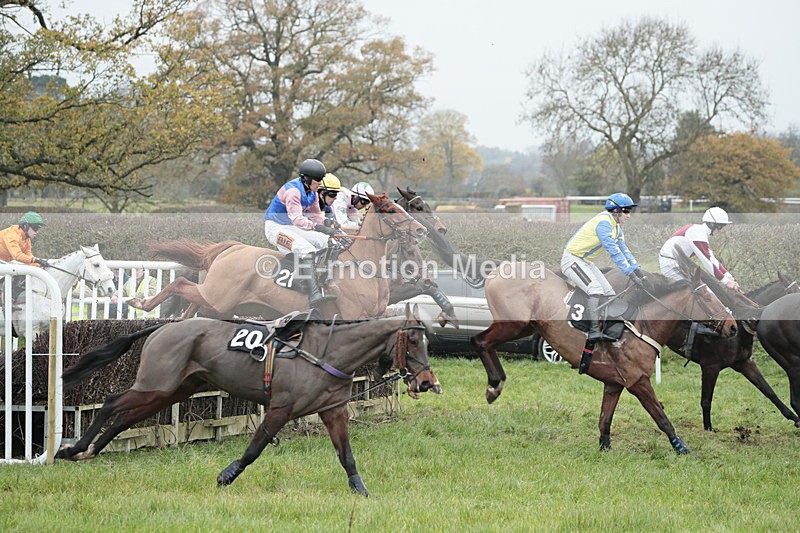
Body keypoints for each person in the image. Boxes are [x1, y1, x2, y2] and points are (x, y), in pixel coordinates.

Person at [561, 193, 644, 374]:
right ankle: (593, 331)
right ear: (616, 211)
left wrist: (636, 268)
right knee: (596, 290)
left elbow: (624, 250)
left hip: (585, 261)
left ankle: (604, 331)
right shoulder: (604, 223)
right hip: (572, 260)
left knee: (608, 291)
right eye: (627, 211)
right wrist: (629, 272)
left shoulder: (616, 226)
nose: (629, 215)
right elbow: (614, 252)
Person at [263, 158, 341, 306]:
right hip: (275, 228)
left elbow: (316, 216)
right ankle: (314, 294)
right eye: (317, 179)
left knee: (326, 241)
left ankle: (325, 280)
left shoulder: (313, 193)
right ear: (306, 178)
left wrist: (327, 222)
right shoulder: (293, 192)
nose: (320, 182)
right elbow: (297, 219)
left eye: (321, 179)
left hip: (291, 227)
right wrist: (320, 228)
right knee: (307, 250)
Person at [659, 206, 739, 291]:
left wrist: (730, 277)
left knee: (703, 291)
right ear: (712, 224)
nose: (721, 230)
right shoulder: (697, 234)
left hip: (675, 263)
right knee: (700, 292)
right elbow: (707, 262)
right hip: (671, 264)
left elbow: (712, 259)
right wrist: (726, 281)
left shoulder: (700, 232)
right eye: (720, 227)